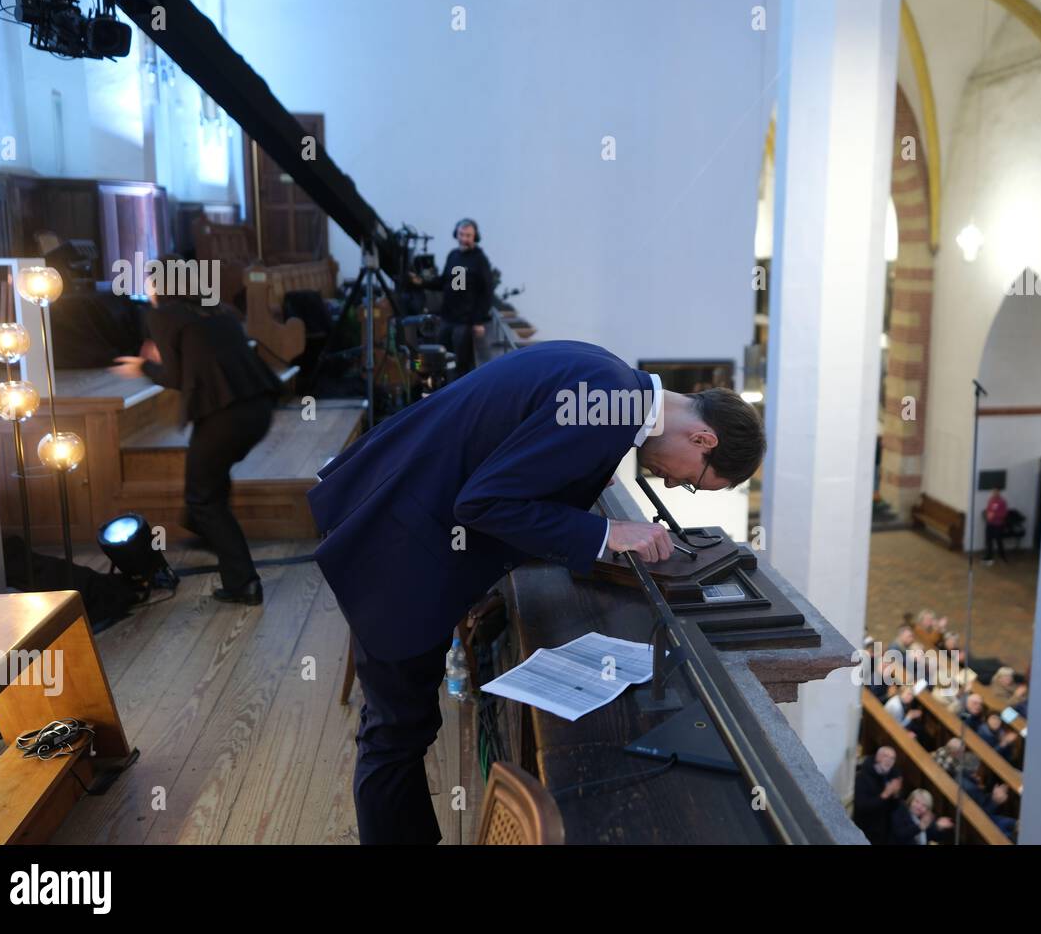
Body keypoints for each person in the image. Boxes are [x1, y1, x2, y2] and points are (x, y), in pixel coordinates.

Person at [307, 340, 765, 843]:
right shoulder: (608, 403)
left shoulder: (610, 377)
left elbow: (514, 454)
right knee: (394, 734)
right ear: (703, 439)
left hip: (393, 508)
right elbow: (484, 502)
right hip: (397, 544)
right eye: (694, 482)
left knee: (403, 728)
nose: (675, 485)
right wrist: (606, 534)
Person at [110, 272, 278, 605]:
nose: (148, 289)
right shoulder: (219, 310)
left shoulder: (163, 315)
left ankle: (244, 582)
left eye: (150, 282)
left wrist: (142, 366)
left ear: (163, 286)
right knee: (208, 483)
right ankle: (206, 532)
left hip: (224, 416)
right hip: (258, 409)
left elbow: (174, 377)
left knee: (203, 499)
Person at [436, 218, 493, 378]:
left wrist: (479, 320)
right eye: (461, 234)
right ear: (456, 234)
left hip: (466, 321)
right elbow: (447, 282)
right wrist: (420, 282)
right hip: (448, 317)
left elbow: (487, 292)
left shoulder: (479, 259)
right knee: (442, 355)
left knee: (461, 361)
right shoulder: (454, 256)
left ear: (475, 237)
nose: (464, 239)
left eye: (468, 236)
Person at [854, 746, 903, 844]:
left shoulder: (891, 776)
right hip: (864, 829)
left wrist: (895, 795)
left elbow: (893, 808)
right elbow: (861, 806)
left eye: (892, 758)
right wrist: (884, 795)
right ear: (877, 757)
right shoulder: (863, 776)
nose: (889, 760)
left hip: (883, 831)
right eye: (886, 756)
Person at [889, 789, 954, 845]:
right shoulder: (900, 812)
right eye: (917, 802)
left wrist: (938, 827)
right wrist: (919, 827)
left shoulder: (924, 819)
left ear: (927, 809)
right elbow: (900, 835)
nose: (919, 807)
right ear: (910, 801)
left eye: (924, 805)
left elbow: (935, 837)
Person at [983, 488, 1009, 564]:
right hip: (990, 523)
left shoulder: (1002, 502)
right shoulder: (991, 500)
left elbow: (1004, 514)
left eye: (996, 492)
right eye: (993, 492)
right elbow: (988, 509)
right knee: (988, 540)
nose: (994, 493)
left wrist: (995, 515)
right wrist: (987, 514)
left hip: (998, 524)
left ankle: (1002, 556)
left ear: (999, 493)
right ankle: (989, 556)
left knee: (998, 541)